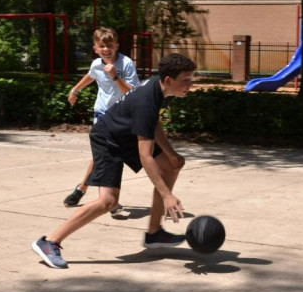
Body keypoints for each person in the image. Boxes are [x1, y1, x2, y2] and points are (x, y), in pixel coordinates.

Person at [32, 53, 196, 269]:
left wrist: (170, 153)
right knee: (107, 202)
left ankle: (154, 233)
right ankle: (49, 242)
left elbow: (154, 123)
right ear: (169, 80)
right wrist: (167, 195)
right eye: (186, 80)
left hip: (125, 134)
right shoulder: (147, 100)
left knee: (173, 164)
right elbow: (145, 156)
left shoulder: (163, 90)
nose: (190, 85)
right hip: (108, 139)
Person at [63, 27, 140, 216]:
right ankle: (110, 202)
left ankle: (82, 188)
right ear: (95, 48)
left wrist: (115, 76)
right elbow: (91, 75)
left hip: (122, 116)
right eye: (102, 46)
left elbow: (133, 92)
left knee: (107, 157)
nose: (106, 49)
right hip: (102, 114)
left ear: (117, 46)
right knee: (106, 156)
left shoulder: (126, 63)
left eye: (110, 45)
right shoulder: (97, 64)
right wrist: (75, 90)